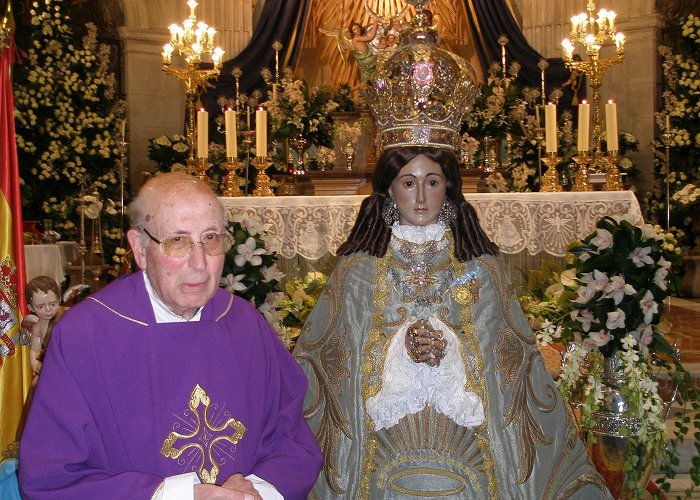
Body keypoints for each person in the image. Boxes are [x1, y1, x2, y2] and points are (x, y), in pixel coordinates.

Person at [293, 146, 611, 498]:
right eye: (407, 183)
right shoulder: (358, 270)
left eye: (432, 182)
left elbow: (507, 359)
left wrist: (453, 347)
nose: (420, 197)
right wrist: (399, 347)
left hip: (474, 440)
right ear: (388, 191)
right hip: (376, 441)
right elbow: (334, 361)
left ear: (449, 187)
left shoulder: (479, 266)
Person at [19, 173, 323, 499]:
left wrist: (258, 489)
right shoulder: (84, 336)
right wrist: (175, 494)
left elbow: (290, 437)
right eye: (177, 241)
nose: (199, 262)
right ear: (139, 248)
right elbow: (52, 478)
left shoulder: (244, 324)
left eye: (211, 238)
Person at [21, 275, 64, 375]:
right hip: (53, 363)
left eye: (53, 304)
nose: (48, 309)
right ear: (31, 307)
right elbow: (35, 350)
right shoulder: (38, 327)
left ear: (59, 299)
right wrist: (35, 364)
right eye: (41, 307)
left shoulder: (66, 316)